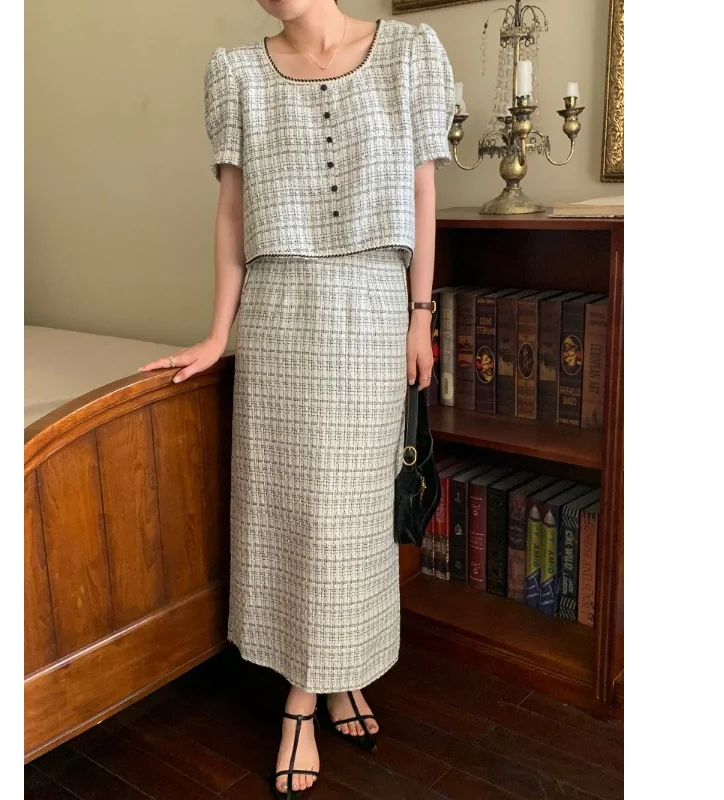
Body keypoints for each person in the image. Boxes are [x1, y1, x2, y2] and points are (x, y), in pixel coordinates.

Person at [139, 1, 454, 796]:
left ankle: (327, 682)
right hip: (281, 313)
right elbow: (232, 214)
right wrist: (217, 333)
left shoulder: (411, 52)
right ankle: (309, 693)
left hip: (374, 308)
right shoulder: (236, 73)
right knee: (294, 510)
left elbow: (422, 192)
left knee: (352, 517)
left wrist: (420, 317)